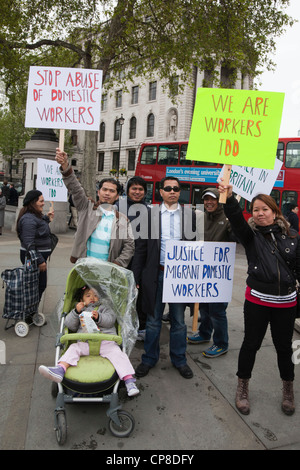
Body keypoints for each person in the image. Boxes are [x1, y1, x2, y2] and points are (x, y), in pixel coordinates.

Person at [218, 181, 300, 416]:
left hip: (286, 304)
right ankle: (242, 387)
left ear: (274, 212)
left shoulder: (294, 237)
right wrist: (231, 197)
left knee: (284, 348)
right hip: (257, 302)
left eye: (265, 209)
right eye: (256, 210)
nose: (260, 213)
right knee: (250, 344)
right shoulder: (250, 236)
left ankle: (288, 389)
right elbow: (234, 216)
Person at [131, 177, 196, 379]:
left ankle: (179, 359)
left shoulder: (189, 216)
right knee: (152, 320)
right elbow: (140, 249)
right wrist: (137, 277)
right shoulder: (149, 215)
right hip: (156, 273)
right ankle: (149, 359)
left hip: (179, 275)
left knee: (178, 321)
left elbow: (194, 248)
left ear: (180, 191)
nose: (172, 191)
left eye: (176, 188)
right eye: (168, 188)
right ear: (160, 192)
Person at [39, 285, 139, 397]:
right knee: (73, 348)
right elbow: (70, 326)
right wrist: (76, 312)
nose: (92, 297)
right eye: (88, 295)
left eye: (96, 295)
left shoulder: (104, 308)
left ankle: (129, 381)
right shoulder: (79, 310)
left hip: (105, 342)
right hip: (85, 342)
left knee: (118, 354)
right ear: (81, 300)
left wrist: (99, 317)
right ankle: (60, 369)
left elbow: (110, 320)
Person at [55, 149, 134, 267]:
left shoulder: (122, 220)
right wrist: (65, 165)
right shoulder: (86, 208)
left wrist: (117, 263)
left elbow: (129, 246)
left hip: (107, 270)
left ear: (117, 196)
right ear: (99, 192)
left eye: (112, 191)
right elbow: (75, 188)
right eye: (104, 189)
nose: (107, 193)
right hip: (84, 267)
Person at [187, 187, 232, 358]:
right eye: (206, 199)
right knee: (204, 307)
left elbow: (237, 238)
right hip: (202, 272)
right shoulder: (201, 217)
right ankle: (205, 333)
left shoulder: (227, 219)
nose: (209, 202)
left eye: (212, 199)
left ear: (219, 200)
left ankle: (221, 343)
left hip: (219, 274)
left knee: (217, 311)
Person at [116, 176, 149, 341]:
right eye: (134, 188)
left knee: (138, 295)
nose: (137, 192)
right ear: (128, 190)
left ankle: (140, 326)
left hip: (140, 260)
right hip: (120, 258)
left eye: (141, 189)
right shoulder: (118, 207)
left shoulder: (149, 211)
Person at [16, 190, 54, 301]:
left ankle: (32, 310)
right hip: (33, 259)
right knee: (35, 287)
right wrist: (40, 260)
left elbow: (39, 228)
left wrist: (47, 219)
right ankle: (29, 312)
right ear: (33, 202)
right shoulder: (28, 219)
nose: (43, 203)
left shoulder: (35, 216)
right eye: (41, 201)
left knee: (38, 286)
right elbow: (29, 244)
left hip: (37, 258)